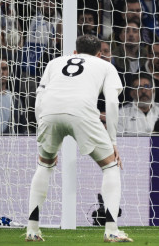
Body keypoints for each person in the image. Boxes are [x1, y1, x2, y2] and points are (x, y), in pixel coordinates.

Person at [26, 35, 132, 242]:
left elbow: (39, 98)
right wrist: (113, 141)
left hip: (48, 112)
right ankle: (111, 230)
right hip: (82, 112)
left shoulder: (54, 62)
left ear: (75, 52)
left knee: (44, 166)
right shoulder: (105, 66)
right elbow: (111, 103)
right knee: (110, 166)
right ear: (100, 54)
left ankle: (32, 229)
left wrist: (44, 134)